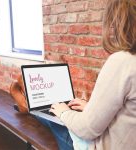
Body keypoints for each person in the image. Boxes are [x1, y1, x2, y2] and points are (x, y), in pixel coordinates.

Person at [10, 0, 136, 149]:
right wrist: (90, 107)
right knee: (53, 110)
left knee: (51, 115)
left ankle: (28, 106)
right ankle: (31, 106)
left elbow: (87, 130)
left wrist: (64, 112)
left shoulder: (123, 61)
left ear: (117, 22)